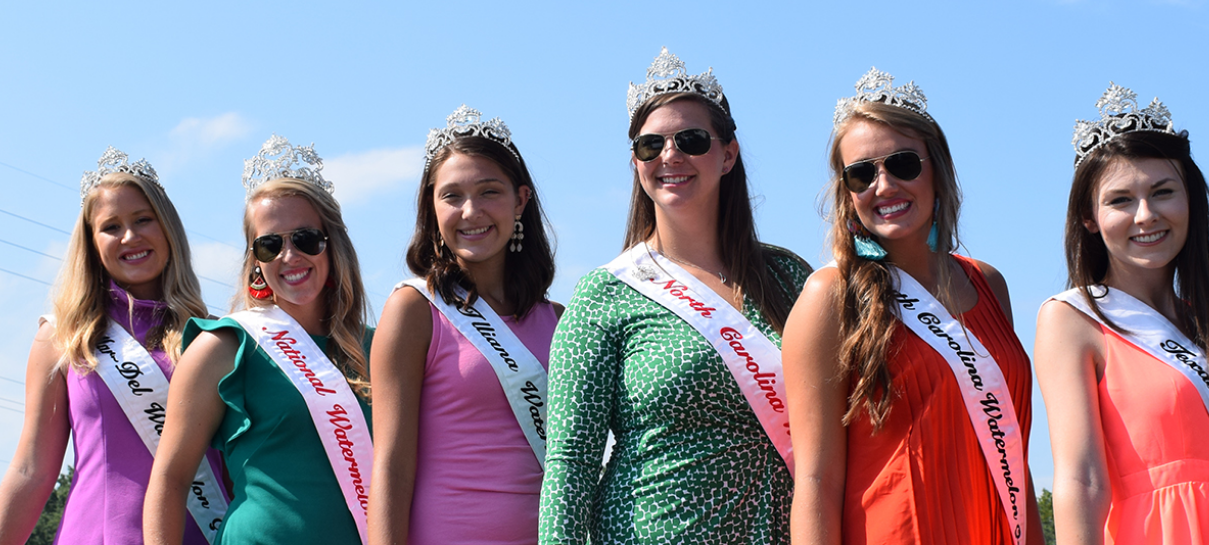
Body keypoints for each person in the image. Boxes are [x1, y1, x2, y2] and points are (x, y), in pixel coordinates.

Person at [539, 47, 812, 545]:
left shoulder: (789, 277)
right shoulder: (605, 294)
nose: (670, 155)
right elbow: (570, 465)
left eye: (691, 139)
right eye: (650, 145)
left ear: (727, 154)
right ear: (636, 162)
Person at [785, 69, 1040, 545]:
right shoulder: (830, 297)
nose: (883, 185)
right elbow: (817, 481)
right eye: (862, 173)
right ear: (847, 193)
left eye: (903, 164)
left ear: (937, 170)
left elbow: (1014, 457)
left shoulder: (988, 285)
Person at [1035, 85, 1209, 545]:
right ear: (1090, 217)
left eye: (1163, 192)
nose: (1146, 215)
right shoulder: (1073, 319)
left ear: (1190, 202)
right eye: (1120, 200)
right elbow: (1080, 480)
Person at [142, 136, 375, 545]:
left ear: (332, 244)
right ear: (255, 261)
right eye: (270, 245)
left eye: (306, 239)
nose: (289, 256)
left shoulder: (380, 348)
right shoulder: (224, 348)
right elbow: (170, 479)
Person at [0, 148, 224, 545]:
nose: (130, 237)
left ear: (168, 228)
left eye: (143, 219)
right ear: (92, 243)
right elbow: (33, 469)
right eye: (111, 226)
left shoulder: (213, 337)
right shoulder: (63, 336)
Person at [368, 106, 561, 545]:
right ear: (432, 209)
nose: (471, 211)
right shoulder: (414, 310)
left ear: (521, 201)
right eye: (452, 196)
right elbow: (391, 467)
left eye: (489, 191)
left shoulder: (559, 321)